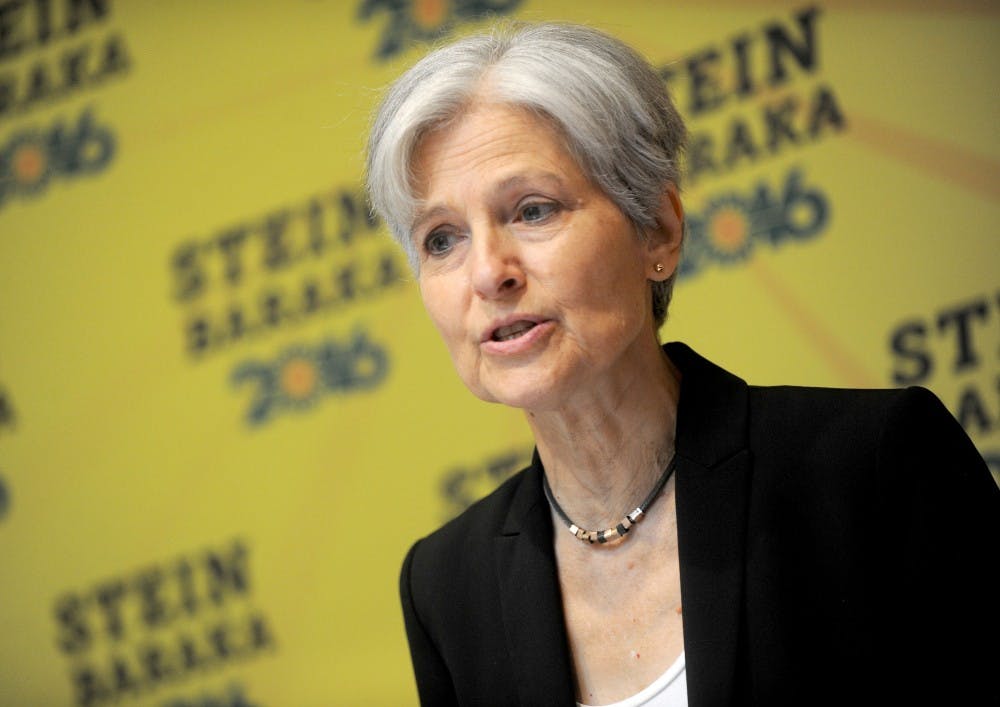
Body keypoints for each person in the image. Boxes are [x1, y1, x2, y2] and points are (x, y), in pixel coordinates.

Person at [364, 21, 1000, 707]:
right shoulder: (446, 586)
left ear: (658, 229)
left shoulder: (869, 467)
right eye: (441, 239)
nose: (488, 272)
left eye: (532, 209)